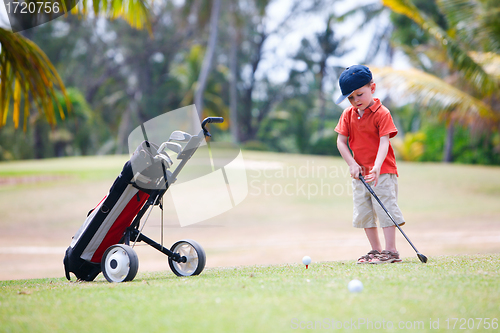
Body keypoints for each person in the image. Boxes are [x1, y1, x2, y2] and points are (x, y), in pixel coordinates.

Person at [334, 65, 405, 264]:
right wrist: (352, 164)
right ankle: (376, 250)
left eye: (359, 94)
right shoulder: (348, 114)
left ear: (372, 88)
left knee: (385, 209)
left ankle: (391, 251)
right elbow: (341, 141)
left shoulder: (382, 113)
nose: (356, 101)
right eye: (351, 98)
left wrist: (377, 166)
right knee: (364, 212)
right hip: (360, 174)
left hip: (382, 171)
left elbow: (384, 141)